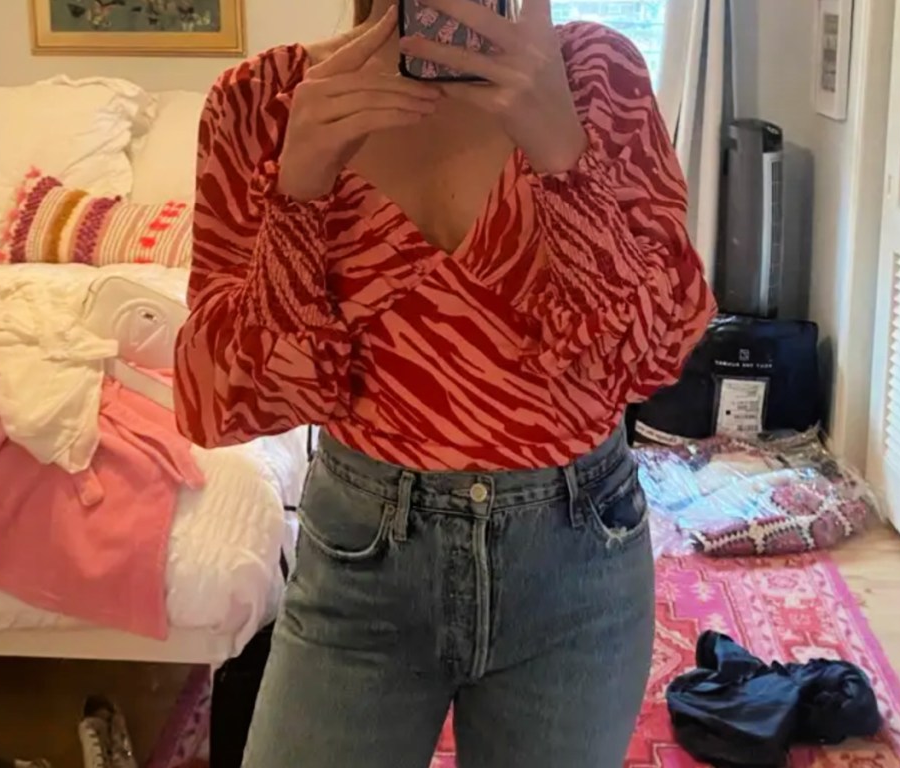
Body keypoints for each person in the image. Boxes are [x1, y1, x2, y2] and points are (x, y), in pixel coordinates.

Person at [173, 0, 716, 765]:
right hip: (361, 569)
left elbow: (658, 355)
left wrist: (563, 154)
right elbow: (219, 398)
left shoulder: (597, 77)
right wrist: (298, 191)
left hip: (576, 563)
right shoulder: (264, 103)